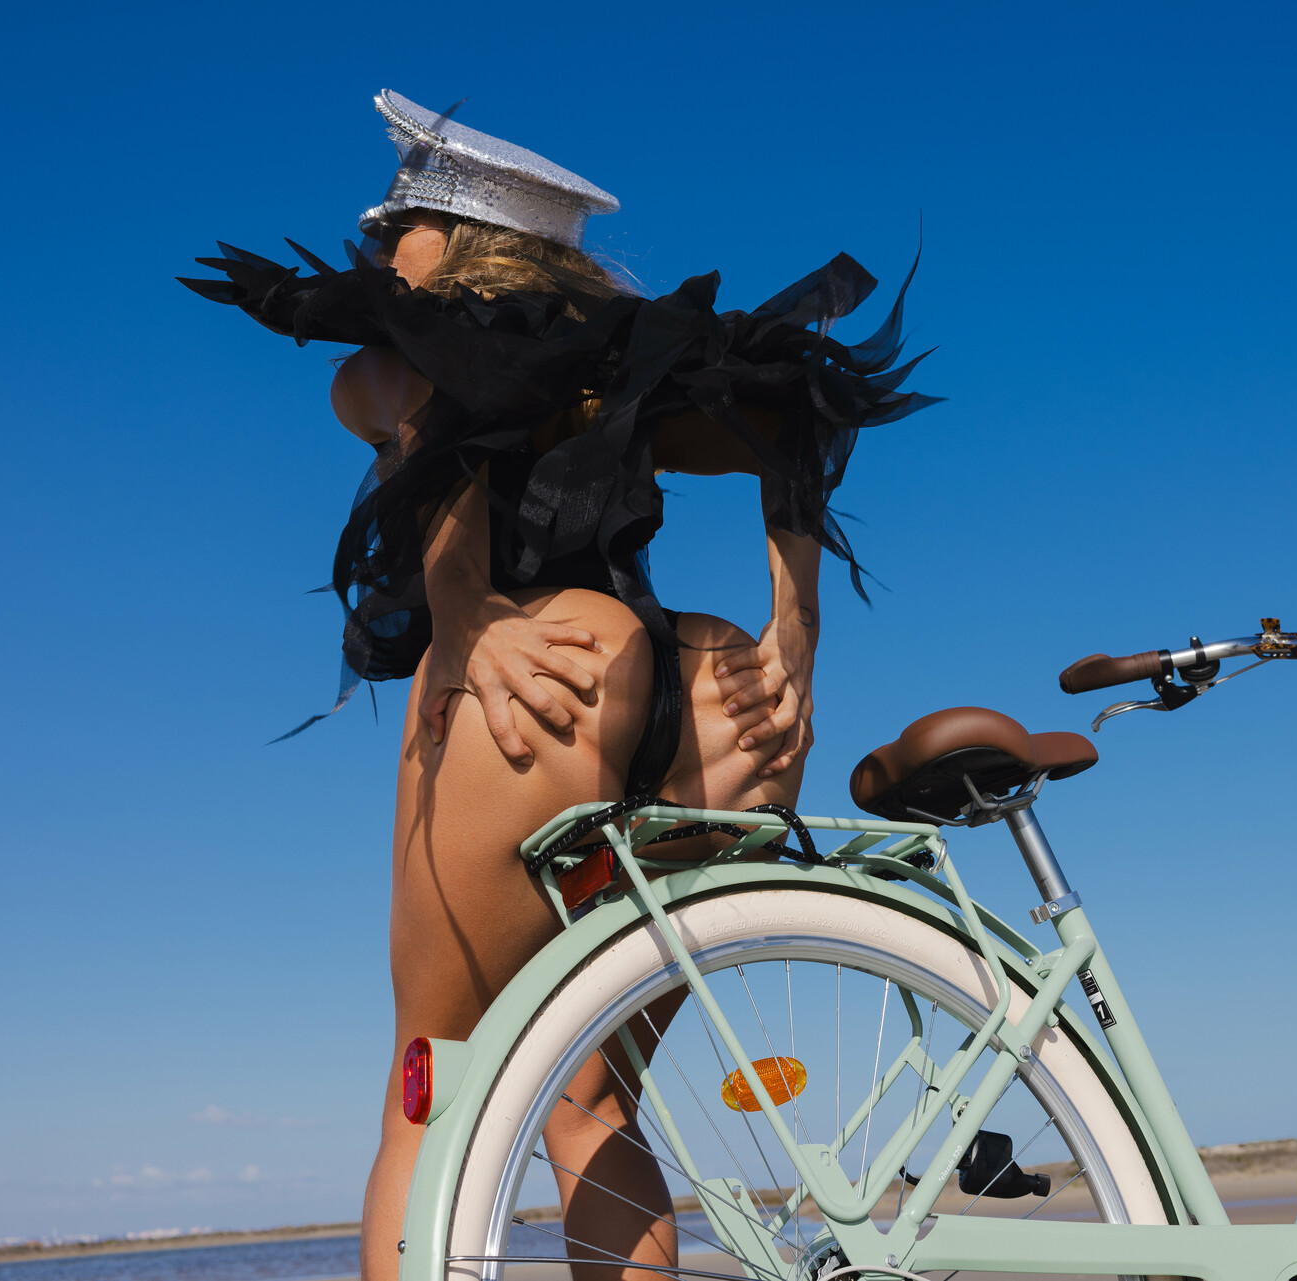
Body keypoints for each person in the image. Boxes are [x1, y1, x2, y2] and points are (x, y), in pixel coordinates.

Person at [183, 90, 935, 1281]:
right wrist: (796, 632)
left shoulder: (391, 356)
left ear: (450, 238)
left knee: (430, 1091)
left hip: (544, 675)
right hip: (712, 687)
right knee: (594, 1103)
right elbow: (793, 413)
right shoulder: (626, 358)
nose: (376, 254)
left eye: (394, 231)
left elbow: (426, 406)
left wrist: (467, 610)